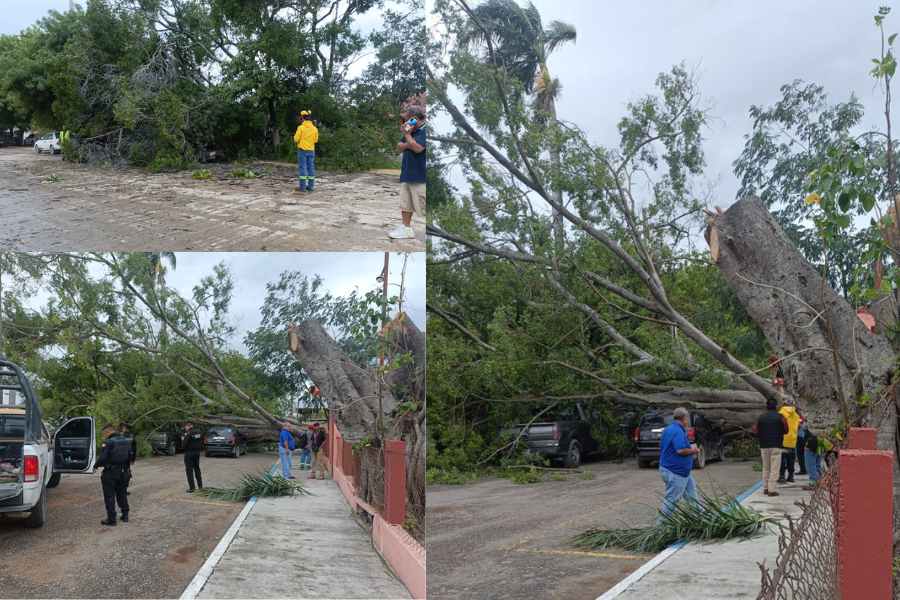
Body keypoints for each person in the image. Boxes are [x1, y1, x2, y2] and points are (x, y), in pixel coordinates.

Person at [388, 107, 426, 240]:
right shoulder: (410, 131)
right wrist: (408, 140)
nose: (405, 123)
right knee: (406, 204)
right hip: (407, 174)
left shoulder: (424, 131)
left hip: (420, 177)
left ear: (414, 119)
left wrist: (408, 137)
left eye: (407, 119)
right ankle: (406, 228)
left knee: (423, 207)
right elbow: (399, 146)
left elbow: (418, 148)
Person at [657, 407, 701, 518]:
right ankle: (660, 528)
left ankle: (700, 519)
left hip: (680, 472)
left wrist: (689, 447)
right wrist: (694, 450)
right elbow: (680, 450)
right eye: (687, 419)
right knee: (671, 501)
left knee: (692, 498)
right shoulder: (677, 431)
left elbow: (671, 447)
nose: (687, 422)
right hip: (676, 472)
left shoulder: (669, 429)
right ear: (684, 418)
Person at [96, 424, 134, 526]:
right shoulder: (127, 440)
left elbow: (103, 458)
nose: (103, 436)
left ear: (108, 432)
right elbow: (131, 455)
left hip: (110, 473)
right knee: (122, 493)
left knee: (109, 496)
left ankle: (112, 519)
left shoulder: (108, 442)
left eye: (103, 434)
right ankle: (125, 515)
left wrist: (95, 465)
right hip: (124, 472)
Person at [756, 398, 788, 496]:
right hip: (776, 445)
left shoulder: (761, 417)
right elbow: (786, 430)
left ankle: (765, 488)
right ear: (776, 406)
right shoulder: (781, 417)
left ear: (767, 406)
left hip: (764, 445)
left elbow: (756, 431)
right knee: (774, 469)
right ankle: (771, 490)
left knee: (766, 468)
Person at [293, 110, 319, 193]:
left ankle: (302, 188)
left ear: (302, 118)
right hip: (311, 151)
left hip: (302, 151)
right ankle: (310, 187)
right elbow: (316, 140)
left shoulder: (301, 128)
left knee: (303, 168)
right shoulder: (315, 128)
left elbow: (295, 139)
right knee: (311, 168)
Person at [778, 399, 801, 483]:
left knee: (782, 459)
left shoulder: (782, 413)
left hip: (783, 440)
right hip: (792, 440)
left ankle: (782, 476)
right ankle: (791, 476)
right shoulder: (796, 415)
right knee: (791, 459)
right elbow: (798, 426)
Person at [181, 421, 204, 493]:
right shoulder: (199, 432)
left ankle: (192, 488)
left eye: (185, 427)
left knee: (189, 471)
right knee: (197, 469)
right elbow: (202, 441)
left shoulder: (188, 433)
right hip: (197, 453)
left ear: (188, 426)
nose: (185, 428)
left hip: (189, 453)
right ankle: (200, 487)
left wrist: (183, 438)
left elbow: (183, 445)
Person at [118, 422, 137, 495]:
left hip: (126, 458)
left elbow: (134, 448)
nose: (123, 428)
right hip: (122, 458)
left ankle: (123, 490)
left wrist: (133, 459)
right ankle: (121, 490)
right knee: (123, 474)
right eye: (123, 427)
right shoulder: (117, 435)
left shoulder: (129, 436)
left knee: (126, 474)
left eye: (124, 427)